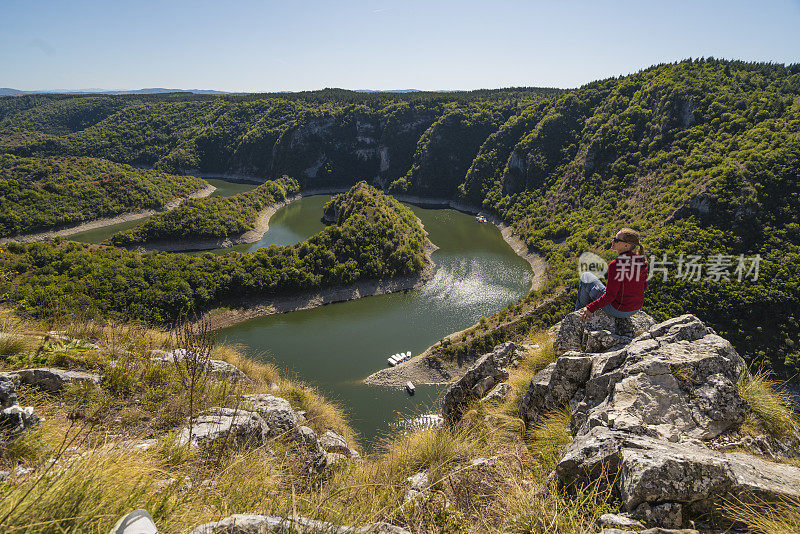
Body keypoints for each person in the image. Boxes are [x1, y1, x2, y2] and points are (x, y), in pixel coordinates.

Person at [576, 228, 648, 322]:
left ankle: (579, 315)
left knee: (586, 277)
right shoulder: (641, 261)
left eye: (617, 240)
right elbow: (644, 288)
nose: (613, 241)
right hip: (635, 308)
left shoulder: (616, 264)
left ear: (626, 245)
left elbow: (610, 296)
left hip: (618, 310)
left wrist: (591, 308)